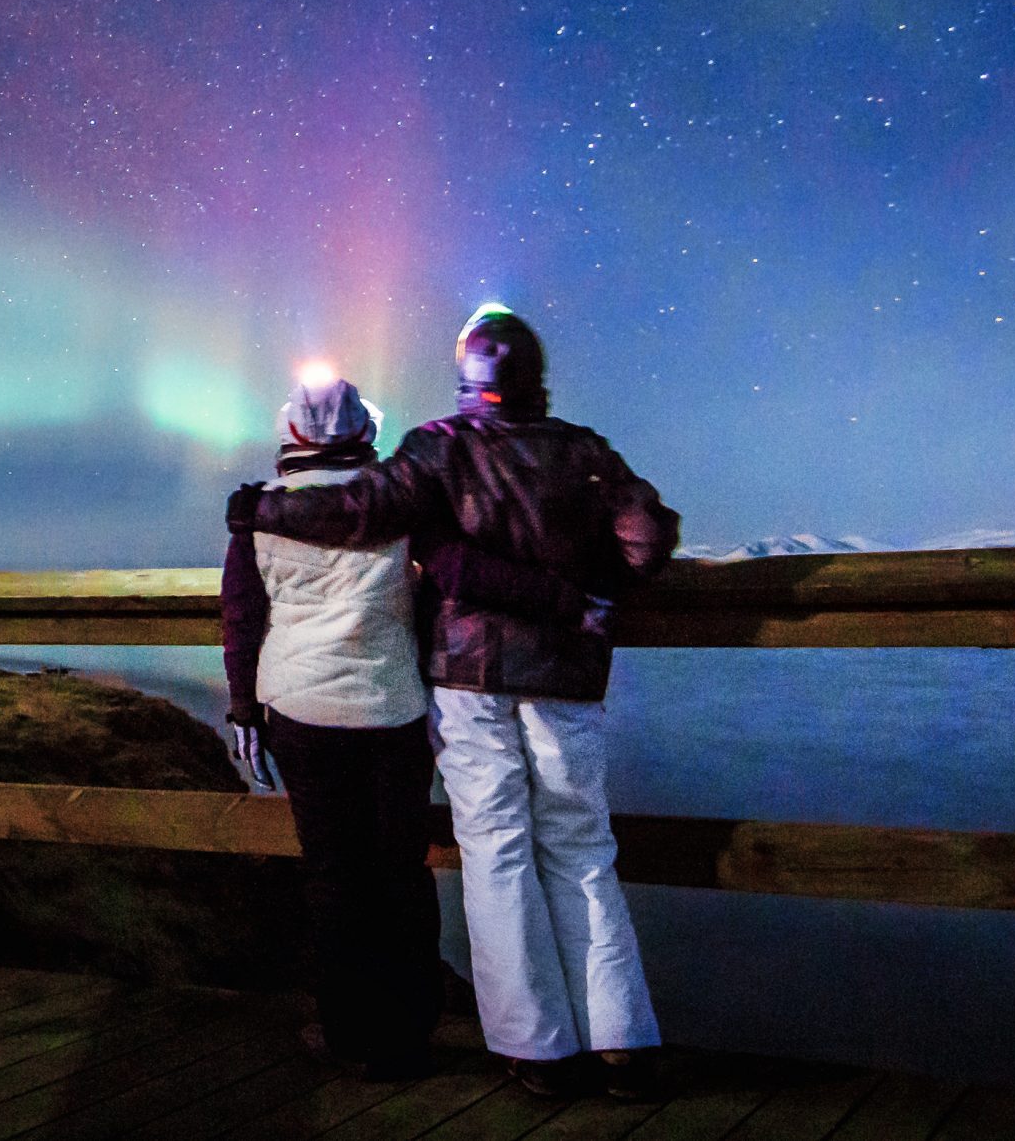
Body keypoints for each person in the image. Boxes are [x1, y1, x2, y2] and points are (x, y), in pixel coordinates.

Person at [226, 307, 679, 1100]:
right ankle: (621, 1042)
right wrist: (598, 593)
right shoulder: (588, 452)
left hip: (464, 678)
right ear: (536, 373)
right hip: (556, 680)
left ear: (467, 375)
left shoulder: (437, 449)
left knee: (496, 852)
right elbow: (644, 537)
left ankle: (534, 1047)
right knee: (581, 850)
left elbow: (357, 512)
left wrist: (260, 511)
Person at [221, 369, 438, 1079]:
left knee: (334, 876)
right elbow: (432, 605)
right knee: (401, 874)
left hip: (302, 709)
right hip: (394, 707)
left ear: (290, 434)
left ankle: (348, 1034)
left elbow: (244, 618)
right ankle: (409, 1035)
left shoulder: (258, 512)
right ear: (365, 433)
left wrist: (245, 710)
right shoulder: (403, 509)